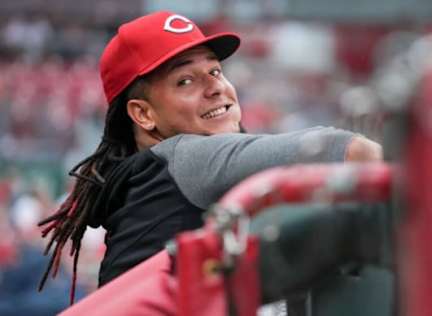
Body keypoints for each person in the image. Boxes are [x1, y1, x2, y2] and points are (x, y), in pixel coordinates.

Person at [38, 11, 382, 302]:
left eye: (215, 71)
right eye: (185, 81)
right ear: (143, 115)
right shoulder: (186, 157)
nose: (216, 86)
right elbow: (349, 150)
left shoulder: (147, 180)